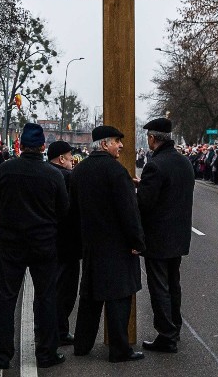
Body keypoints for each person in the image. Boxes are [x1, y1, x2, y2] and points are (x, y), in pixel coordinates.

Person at [0, 123, 68, 370]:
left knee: (6, 298)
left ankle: (0, 354)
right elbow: (63, 210)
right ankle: (47, 352)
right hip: (44, 244)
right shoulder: (53, 174)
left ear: (21, 144)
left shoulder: (6, 170)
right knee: (46, 298)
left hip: (12, 243)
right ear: (43, 146)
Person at [72, 125, 146, 364]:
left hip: (91, 245)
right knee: (119, 298)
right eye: (117, 141)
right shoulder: (116, 172)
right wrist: (137, 242)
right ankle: (119, 350)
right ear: (104, 144)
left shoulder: (79, 171)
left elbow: (72, 210)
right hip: (117, 246)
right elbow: (129, 212)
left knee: (90, 297)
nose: (121, 145)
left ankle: (82, 345)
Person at [136, 118, 195, 354]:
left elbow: (145, 203)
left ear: (152, 138)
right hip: (178, 235)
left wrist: (135, 191)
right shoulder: (184, 162)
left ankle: (166, 335)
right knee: (173, 284)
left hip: (158, 237)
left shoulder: (155, 165)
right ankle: (175, 327)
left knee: (159, 286)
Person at [47, 140, 81, 347]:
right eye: (70, 158)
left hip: (48, 240)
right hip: (68, 242)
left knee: (50, 288)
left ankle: (50, 328)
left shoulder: (45, 173)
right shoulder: (67, 177)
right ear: (61, 159)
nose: (72, 161)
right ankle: (59, 330)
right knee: (66, 290)